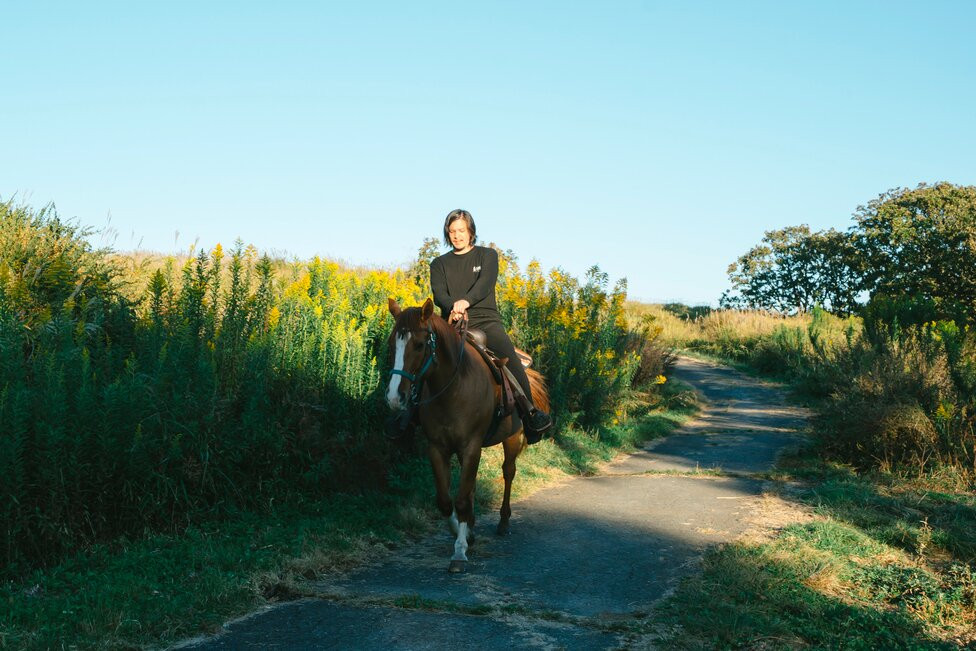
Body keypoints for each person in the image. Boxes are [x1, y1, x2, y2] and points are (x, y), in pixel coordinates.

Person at [429, 209, 553, 442]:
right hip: (451, 324)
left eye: (461, 231)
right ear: (447, 233)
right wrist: (454, 308)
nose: (457, 236)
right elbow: (438, 294)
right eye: (452, 231)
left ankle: (530, 414)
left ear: (471, 231)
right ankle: (407, 417)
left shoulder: (487, 256)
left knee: (511, 360)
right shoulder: (438, 264)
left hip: (486, 322)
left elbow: (484, 285)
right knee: (422, 358)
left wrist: (465, 302)